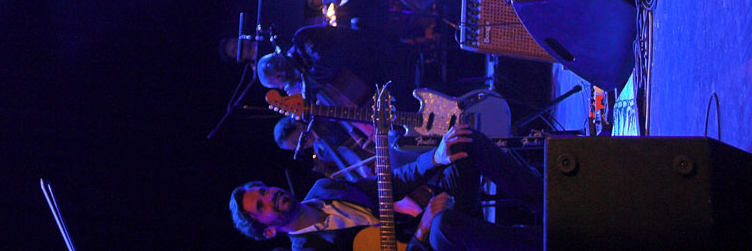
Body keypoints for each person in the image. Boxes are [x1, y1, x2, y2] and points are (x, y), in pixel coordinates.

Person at [231, 125, 542, 249]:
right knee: (443, 225)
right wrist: (423, 230)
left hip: (429, 224)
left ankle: (550, 204)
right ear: (268, 232)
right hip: (426, 241)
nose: (271, 196)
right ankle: (549, 242)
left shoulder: (324, 189)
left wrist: (435, 158)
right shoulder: (312, 250)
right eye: (261, 206)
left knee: (462, 142)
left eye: (264, 190)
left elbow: (388, 185)